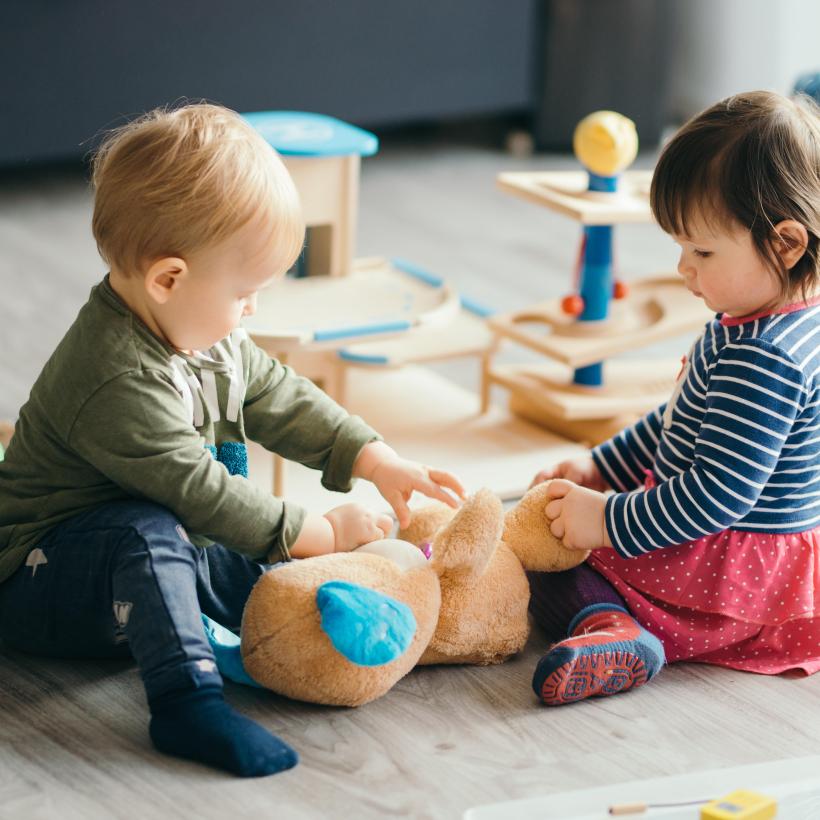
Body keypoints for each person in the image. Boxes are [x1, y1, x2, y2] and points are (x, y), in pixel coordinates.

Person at [0, 103, 465, 776]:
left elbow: (276, 394)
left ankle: (315, 632)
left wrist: (373, 457)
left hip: (153, 558)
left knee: (240, 557)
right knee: (153, 529)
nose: (253, 309)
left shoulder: (202, 332)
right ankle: (188, 703)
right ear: (168, 279)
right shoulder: (114, 379)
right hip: (36, 583)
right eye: (245, 291)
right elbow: (204, 496)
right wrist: (322, 532)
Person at [528, 90, 820, 706]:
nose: (684, 268)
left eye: (703, 252)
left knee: (549, 564)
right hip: (762, 571)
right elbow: (680, 418)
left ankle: (616, 628)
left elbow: (718, 493)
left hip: (722, 575)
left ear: (788, 244)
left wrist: (605, 519)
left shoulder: (763, 355)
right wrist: (603, 465)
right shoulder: (773, 317)